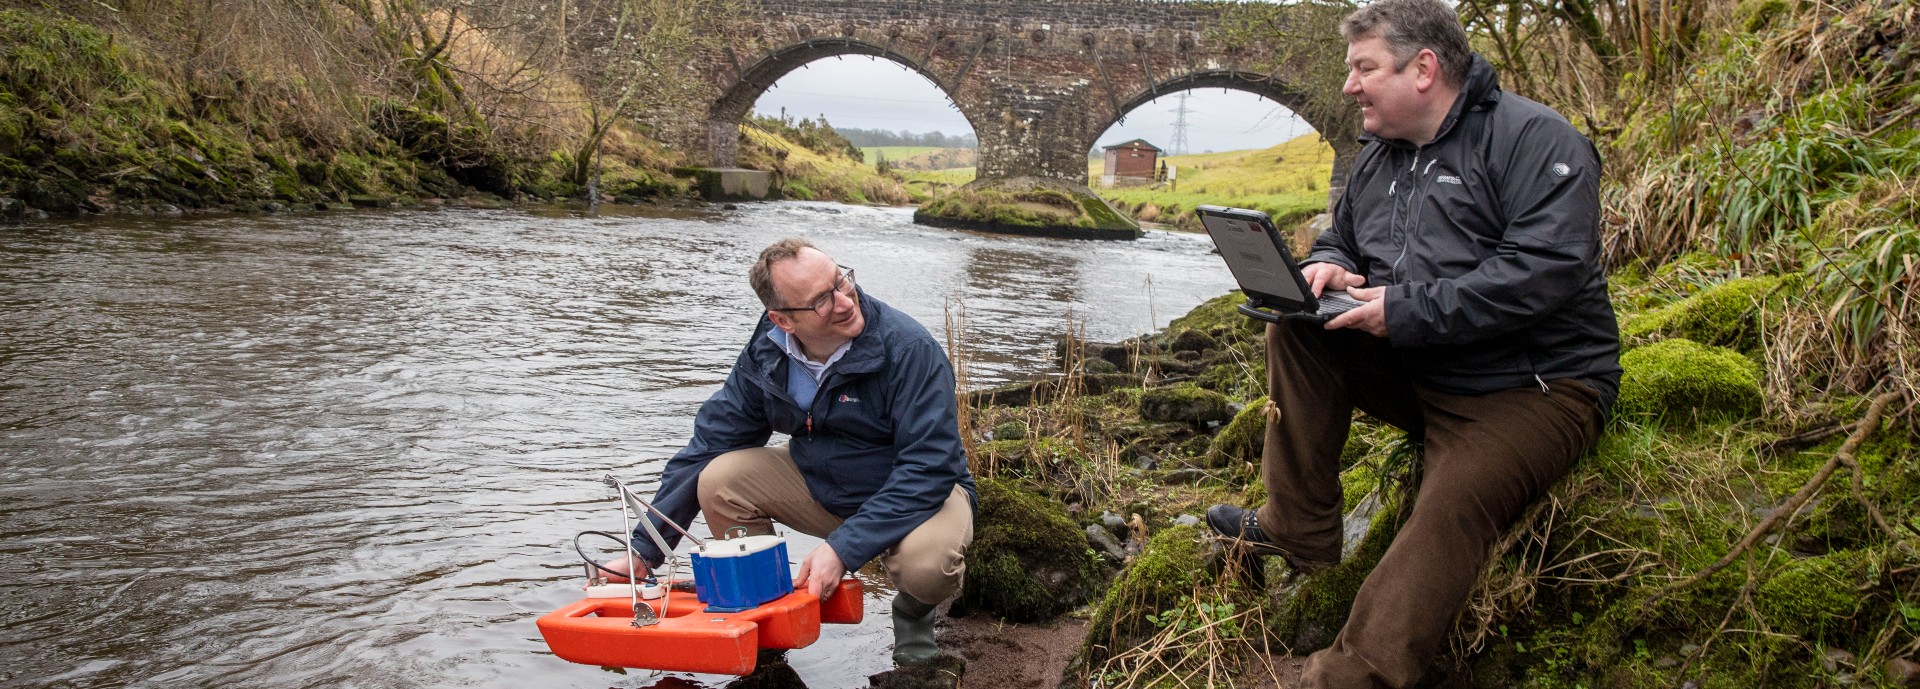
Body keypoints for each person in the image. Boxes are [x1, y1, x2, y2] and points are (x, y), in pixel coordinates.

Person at [1204, 1, 1622, 687]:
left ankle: (1349, 674)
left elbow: (1544, 272)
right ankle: (1298, 527)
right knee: (1299, 326)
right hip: (1424, 363)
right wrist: (1328, 265)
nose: (1348, 86)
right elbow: (1347, 235)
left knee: (1448, 510)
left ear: (1423, 68)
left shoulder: (1537, 142)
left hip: (1533, 387)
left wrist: (1406, 307)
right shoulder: (1381, 157)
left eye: (1364, 68)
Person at [602, 237, 976, 667]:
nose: (844, 301)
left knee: (927, 569)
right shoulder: (767, 353)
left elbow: (930, 467)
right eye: (821, 300)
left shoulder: (909, 349)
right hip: (824, 484)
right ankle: (767, 620)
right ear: (782, 320)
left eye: (841, 281)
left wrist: (842, 549)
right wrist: (643, 550)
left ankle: (914, 618)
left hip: (924, 496)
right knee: (719, 478)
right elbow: (711, 443)